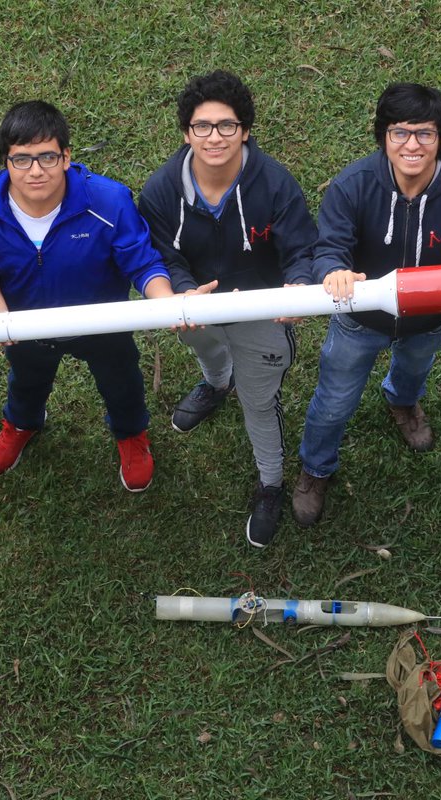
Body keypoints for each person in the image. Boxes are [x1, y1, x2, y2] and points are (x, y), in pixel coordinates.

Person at [292, 82, 441, 526]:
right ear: (383, 136)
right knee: (333, 403)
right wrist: (333, 270)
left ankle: (402, 402)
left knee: (413, 374)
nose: (412, 145)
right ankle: (316, 468)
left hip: (428, 323)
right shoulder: (352, 186)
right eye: (400, 133)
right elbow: (329, 247)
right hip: (357, 320)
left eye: (425, 133)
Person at [0, 100, 179, 492]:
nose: (36, 171)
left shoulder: (109, 201)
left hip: (103, 325)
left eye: (47, 157)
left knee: (122, 383)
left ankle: (131, 433)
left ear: (67, 157)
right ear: (5, 162)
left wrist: (169, 304)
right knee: (26, 381)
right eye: (22, 159)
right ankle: (22, 422)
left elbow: (142, 262)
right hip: (24, 326)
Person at [139, 70, 317, 547]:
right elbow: (162, 255)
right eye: (202, 126)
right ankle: (218, 384)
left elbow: (302, 248)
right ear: (186, 133)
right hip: (194, 307)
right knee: (206, 349)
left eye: (227, 125)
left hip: (262, 314)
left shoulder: (276, 184)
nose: (214, 137)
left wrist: (299, 287)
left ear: (245, 130)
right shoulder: (161, 191)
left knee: (259, 403)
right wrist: (183, 292)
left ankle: (271, 483)